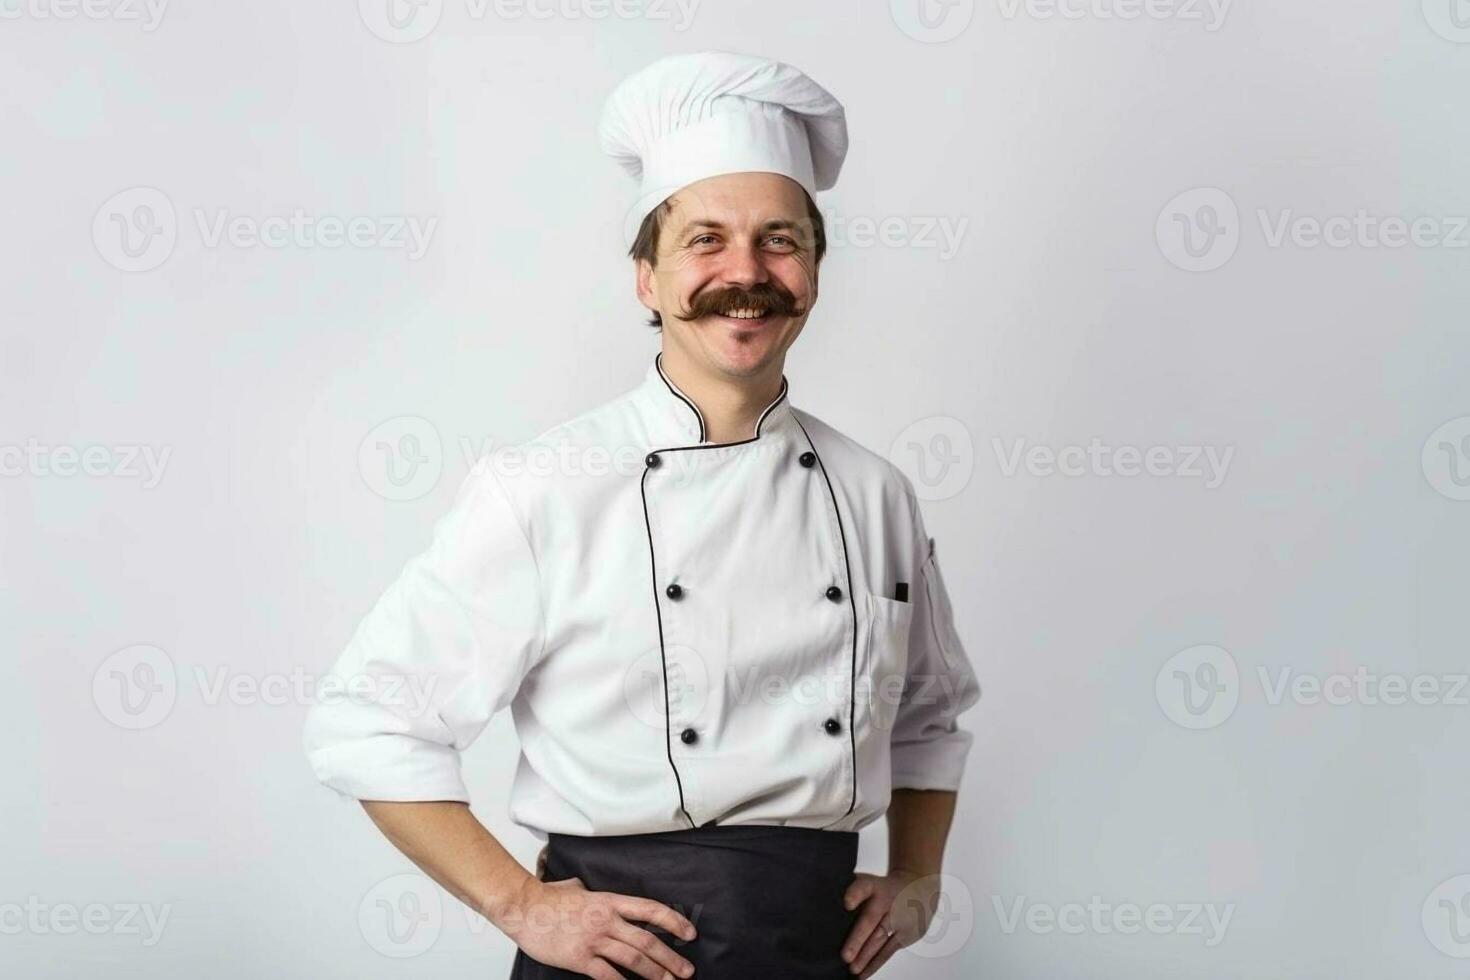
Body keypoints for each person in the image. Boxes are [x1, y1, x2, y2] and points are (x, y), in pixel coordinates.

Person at [303, 50, 980, 979]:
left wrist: (917, 874)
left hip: (810, 951)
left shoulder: (874, 492)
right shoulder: (545, 486)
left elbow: (932, 716)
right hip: (618, 962)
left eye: (780, 240)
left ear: (815, 269)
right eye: (705, 239)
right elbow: (366, 721)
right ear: (647, 279)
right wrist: (521, 906)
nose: (746, 272)